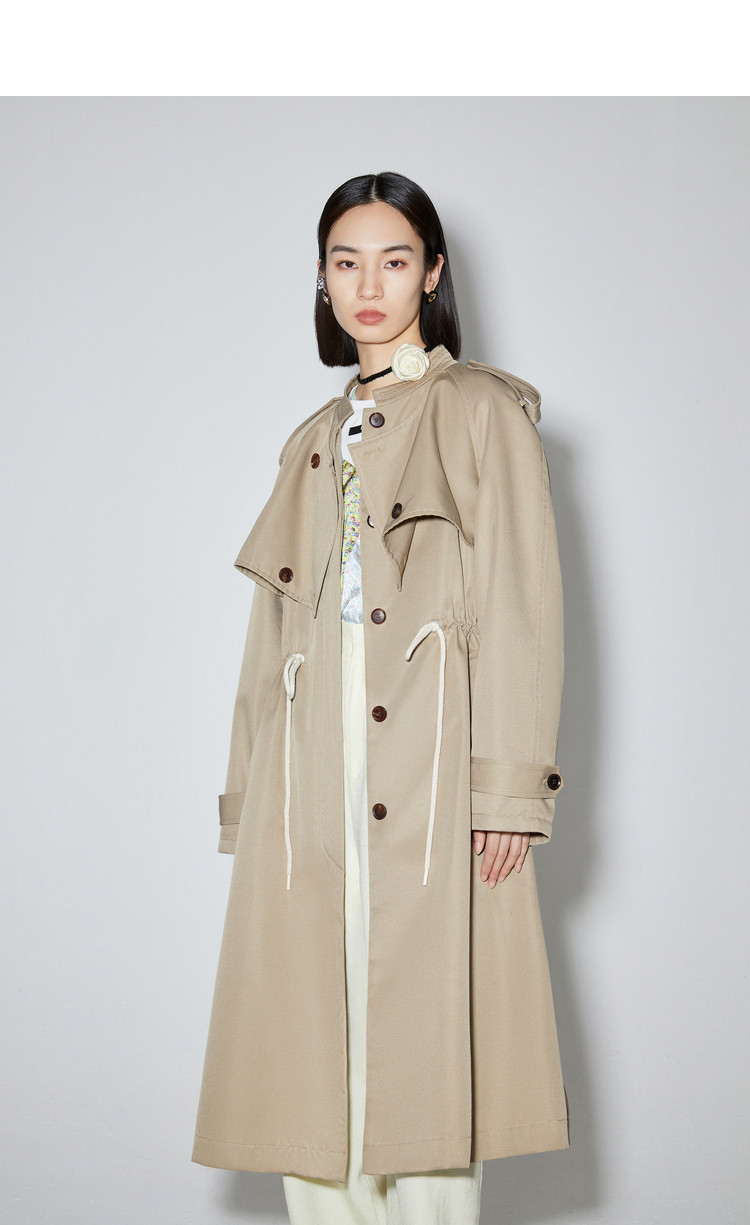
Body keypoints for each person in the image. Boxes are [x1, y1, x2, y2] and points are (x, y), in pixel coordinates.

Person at [192, 172, 570, 1225]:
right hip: (309, 770)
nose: (369, 285)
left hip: (431, 759)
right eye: (346, 262)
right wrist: (249, 801)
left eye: (394, 260)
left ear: (432, 274)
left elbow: (524, 604)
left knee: (426, 1054)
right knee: (312, 1047)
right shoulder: (312, 437)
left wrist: (507, 790)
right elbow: (270, 644)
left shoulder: (484, 411)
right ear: (321, 280)